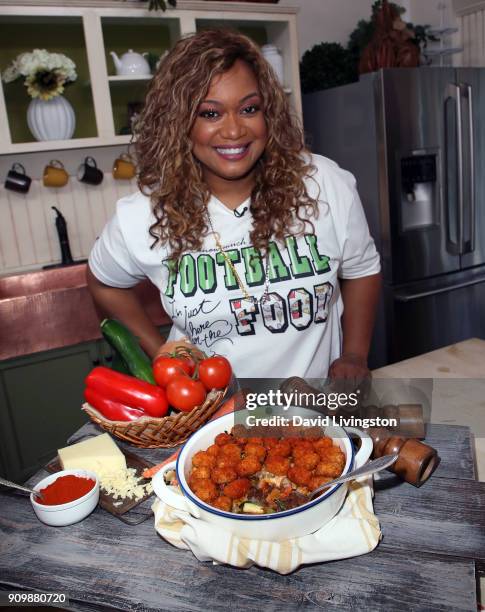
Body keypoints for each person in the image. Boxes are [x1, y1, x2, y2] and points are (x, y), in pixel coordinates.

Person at [87, 29, 381, 382]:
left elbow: (362, 268)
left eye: (249, 109)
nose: (233, 131)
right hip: (212, 418)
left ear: (268, 112)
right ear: (180, 122)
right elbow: (102, 282)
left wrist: (353, 354)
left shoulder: (324, 184)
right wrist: (158, 352)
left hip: (314, 412)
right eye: (210, 114)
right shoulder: (144, 215)